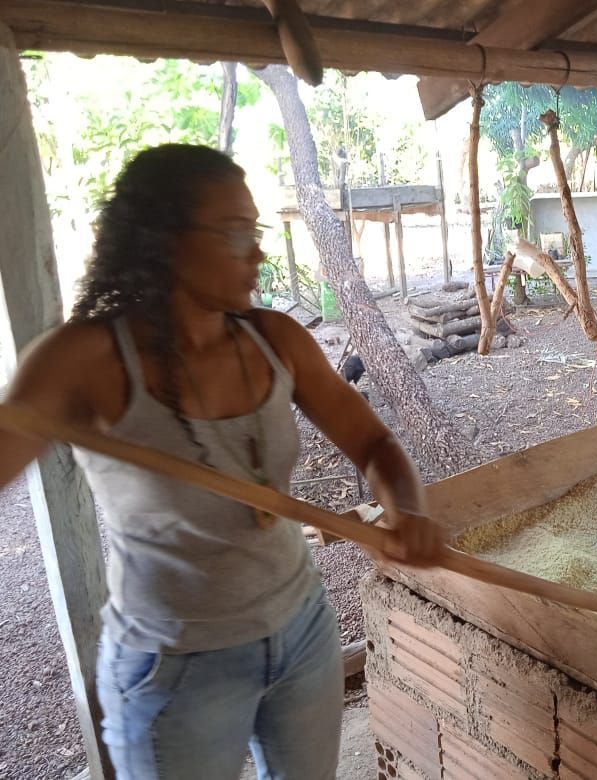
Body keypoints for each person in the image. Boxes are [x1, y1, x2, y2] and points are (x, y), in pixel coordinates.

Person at [0, 144, 446, 779]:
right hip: (173, 666)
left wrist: (407, 510)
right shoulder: (85, 359)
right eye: (236, 233)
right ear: (163, 240)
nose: (258, 252)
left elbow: (374, 445)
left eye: (255, 230)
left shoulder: (276, 339)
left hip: (301, 635)